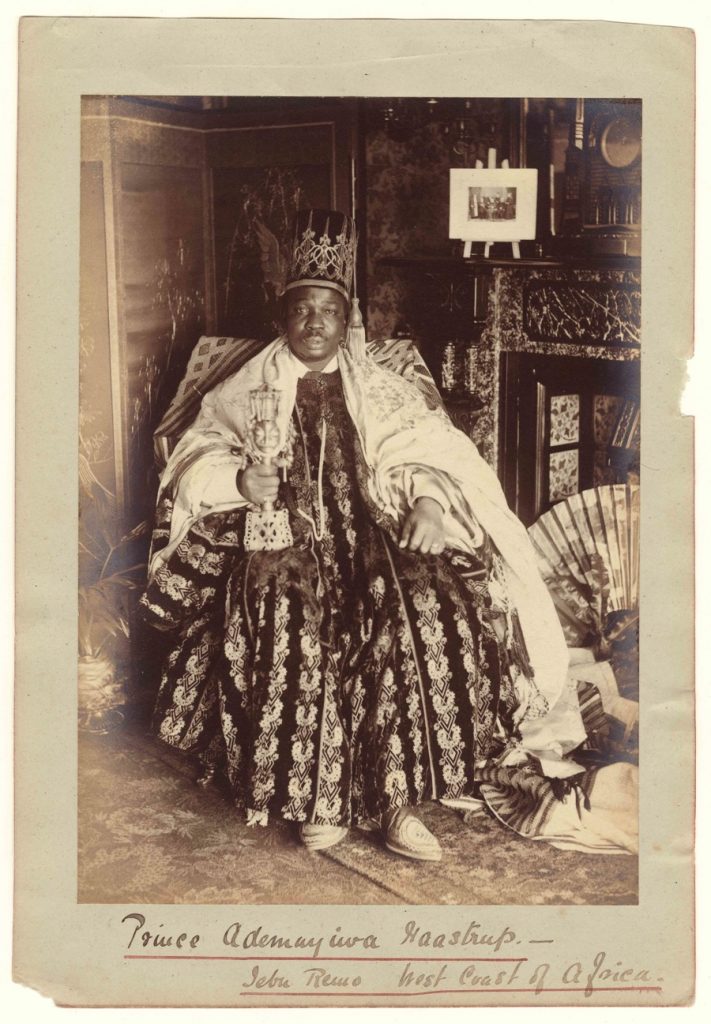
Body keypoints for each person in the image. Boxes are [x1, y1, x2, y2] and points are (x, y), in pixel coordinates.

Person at [141, 209, 586, 861]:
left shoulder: (379, 388)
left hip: (371, 533)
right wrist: (237, 484)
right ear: (282, 317)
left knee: (419, 604)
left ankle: (395, 802)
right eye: (302, 309)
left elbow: (426, 452)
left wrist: (430, 507)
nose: (314, 322)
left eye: (328, 309)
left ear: (345, 318)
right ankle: (320, 801)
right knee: (298, 615)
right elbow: (194, 454)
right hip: (278, 542)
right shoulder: (243, 390)